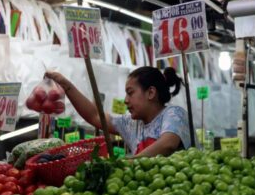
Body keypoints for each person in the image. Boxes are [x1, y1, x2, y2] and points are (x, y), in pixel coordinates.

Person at [45, 66, 191, 157]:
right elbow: (95, 115)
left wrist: (129, 163)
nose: (126, 100)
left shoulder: (173, 114)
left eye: (130, 93)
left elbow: (168, 143)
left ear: (151, 93)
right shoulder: (131, 124)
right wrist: (65, 85)